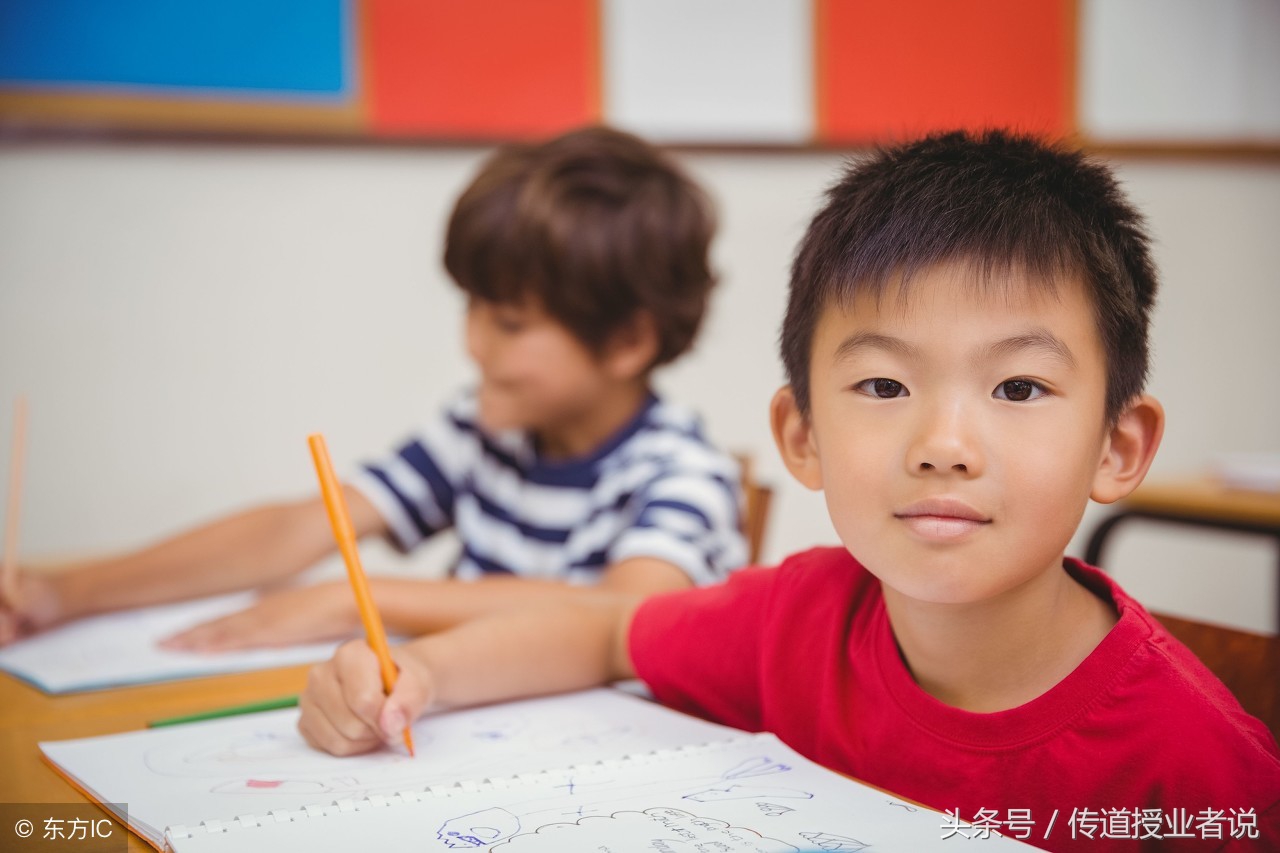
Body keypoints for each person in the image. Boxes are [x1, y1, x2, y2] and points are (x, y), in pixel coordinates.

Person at [298, 130, 1279, 851]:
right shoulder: (795, 619)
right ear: (799, 435)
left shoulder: (1199, 769)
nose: (942, 444)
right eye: (883, 385)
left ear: (1117, 444)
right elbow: (602, 629)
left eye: (1017, 387)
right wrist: (419, 675)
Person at [0, 126, 747, 651]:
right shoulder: (481, 432)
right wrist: (67, 593)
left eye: (511, 323)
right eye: (473, 309)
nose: (474, 344)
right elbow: (299, 528)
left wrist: (361, 597)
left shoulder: (683, 472)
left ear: (627, 341)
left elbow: (623, 608)